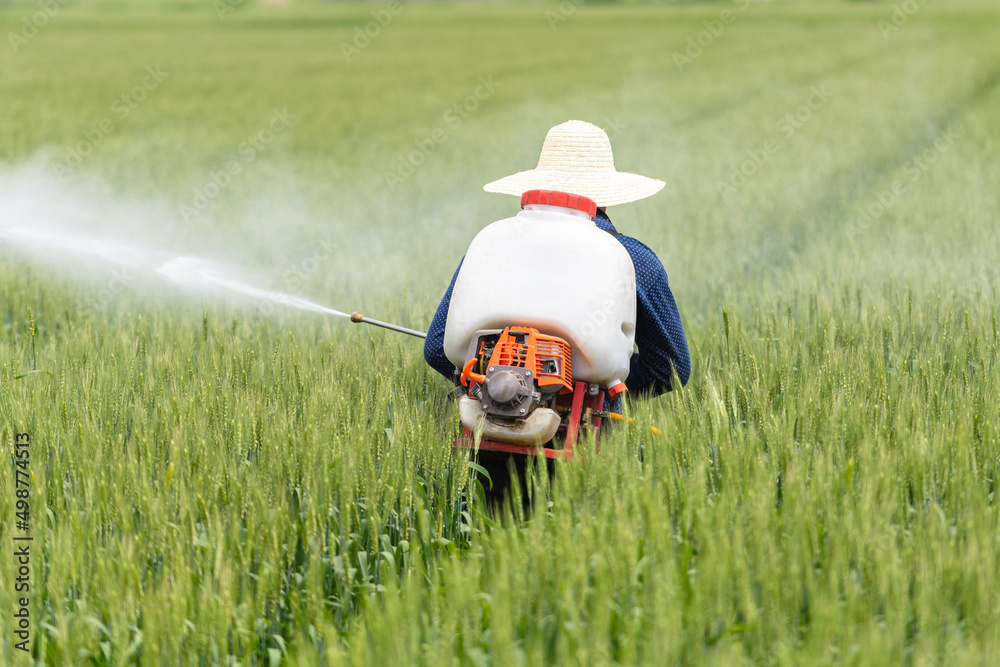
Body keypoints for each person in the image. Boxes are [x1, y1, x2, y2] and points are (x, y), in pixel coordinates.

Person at [424, 119, 690, 399]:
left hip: (489, 411)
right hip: (589, 432)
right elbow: (670, 369)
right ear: (605, 197)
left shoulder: (489, 244)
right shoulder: (633, 259)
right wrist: (596, 380)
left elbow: (436, 349)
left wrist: (495, 381)